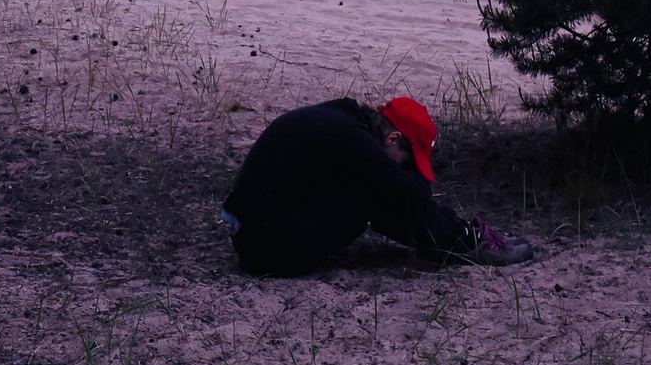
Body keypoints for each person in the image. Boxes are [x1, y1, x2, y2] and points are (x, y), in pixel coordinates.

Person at [221, 95, 534, 276]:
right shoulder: (352, 139)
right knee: (375, 192)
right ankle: (465, 245)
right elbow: (413, 196)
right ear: (393, 138)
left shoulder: (344, 121)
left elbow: (411, 194)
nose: (405, 166)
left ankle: (464, 238)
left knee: (381, 187)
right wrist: (409, 180)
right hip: (264, 250)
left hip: (257, 237)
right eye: (408, 160)